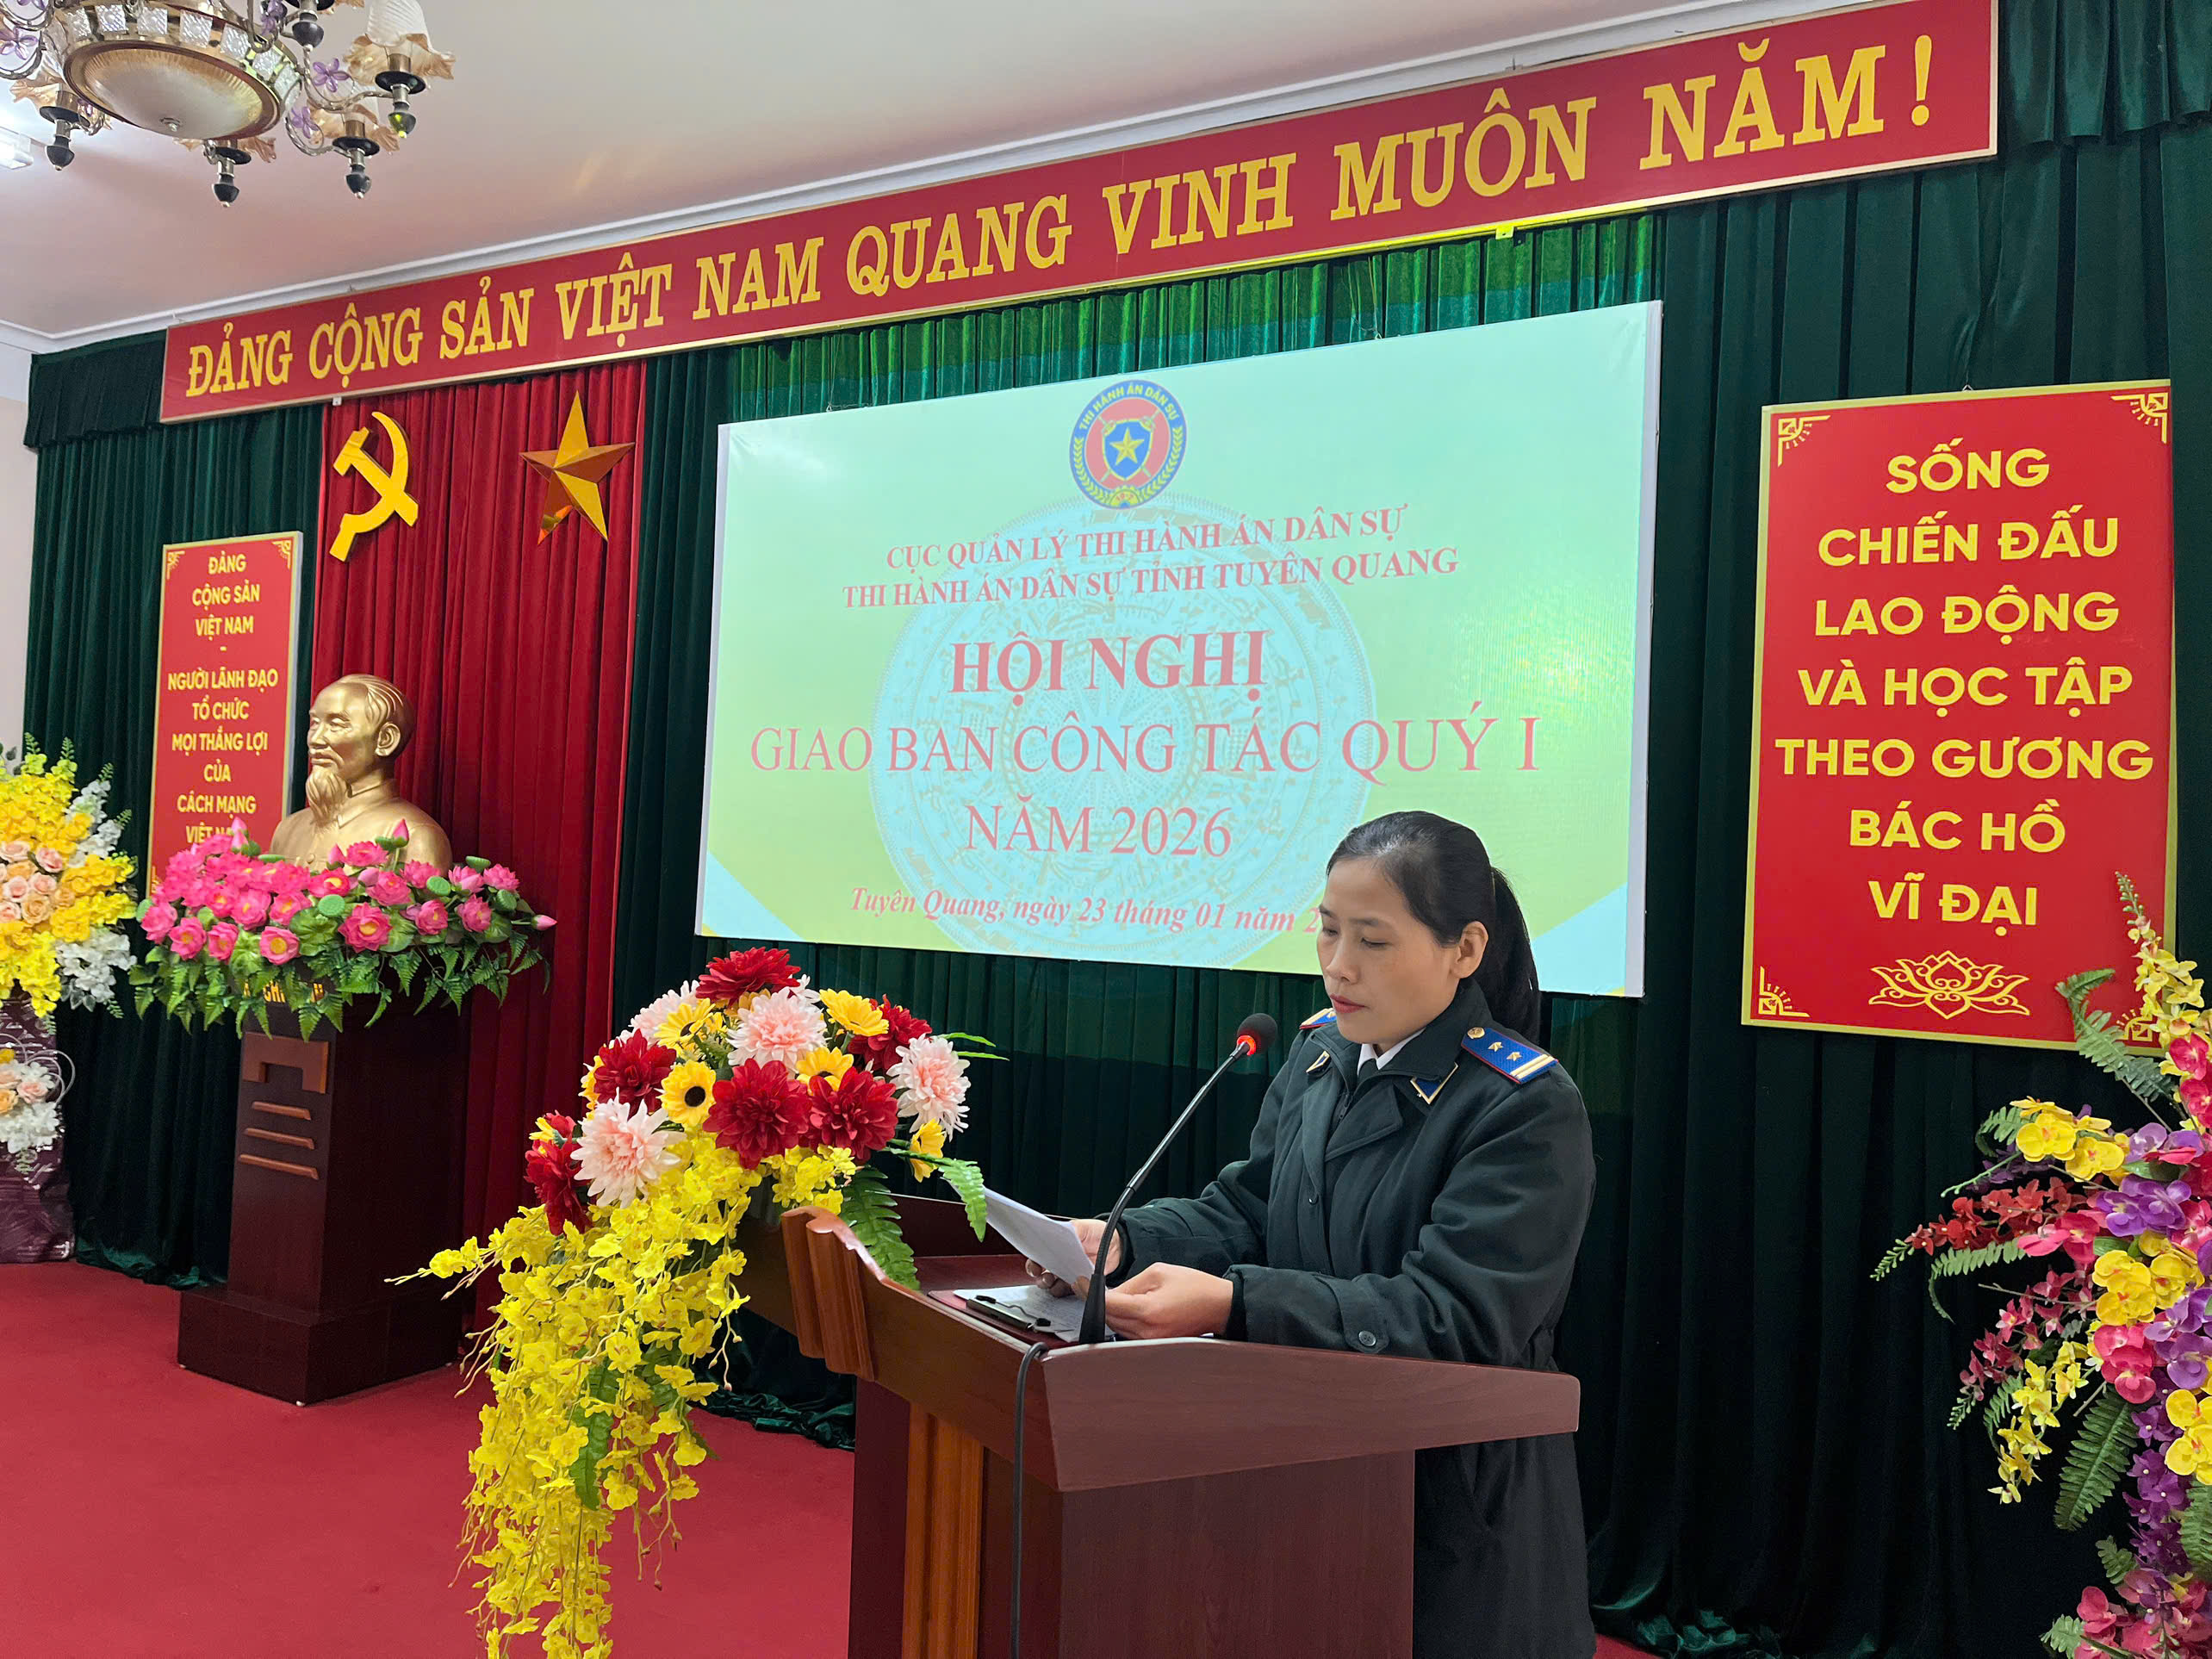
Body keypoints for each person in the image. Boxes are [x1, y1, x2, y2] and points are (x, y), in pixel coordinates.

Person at [1026, 811, 1596, 1658]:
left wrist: (1236, 1304)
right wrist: (1122, 1242)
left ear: (1465, 949)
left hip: (1446, 1509)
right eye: (1328, 931)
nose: (1338, 964)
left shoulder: (1521, 1106)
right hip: (1299, 1476)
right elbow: (1249, 1213)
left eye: (1373, 939)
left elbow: (1454, 1317)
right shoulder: (1322, 1055)